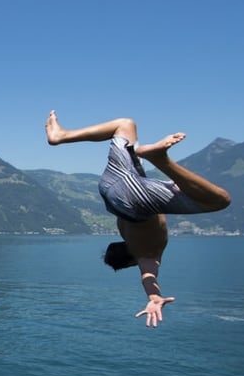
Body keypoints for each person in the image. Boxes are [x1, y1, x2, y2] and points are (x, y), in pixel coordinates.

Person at [45, 111, 230, 327]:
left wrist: (153, 297)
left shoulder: (146, 254)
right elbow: (136, 181)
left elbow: (148, 277)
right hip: (110, 188)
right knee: (124, 124)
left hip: (135, 201)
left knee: (219, 201)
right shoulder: (123, 230)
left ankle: (162, 160)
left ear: (131, 260)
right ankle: (61, 136)